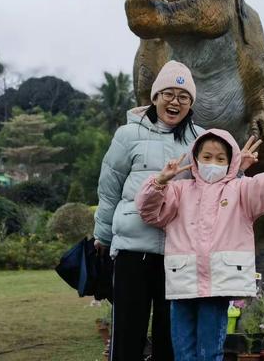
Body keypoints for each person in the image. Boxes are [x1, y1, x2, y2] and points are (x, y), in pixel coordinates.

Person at [135, 129, 264, 361]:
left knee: (210, 352)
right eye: (206, 156)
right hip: (183, 282)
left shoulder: (241, 191)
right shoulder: (178, 190)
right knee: (182, 351)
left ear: (230, 162)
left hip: (218, 286)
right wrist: (159, 182)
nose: (213, 163)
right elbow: (148, 211)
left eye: (220, 158)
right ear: (195, 159)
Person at [94, 60, 204, 361]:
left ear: (191, 104)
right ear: (154, 97)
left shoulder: (201, 140)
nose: (175, 102)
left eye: (184, 97)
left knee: (171, 339)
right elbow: (109, 189)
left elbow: (218, 185)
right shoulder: (127, 135)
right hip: (132, 249)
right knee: (128, 335)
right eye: (168, 93)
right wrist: (102, 234)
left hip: (178, 252)